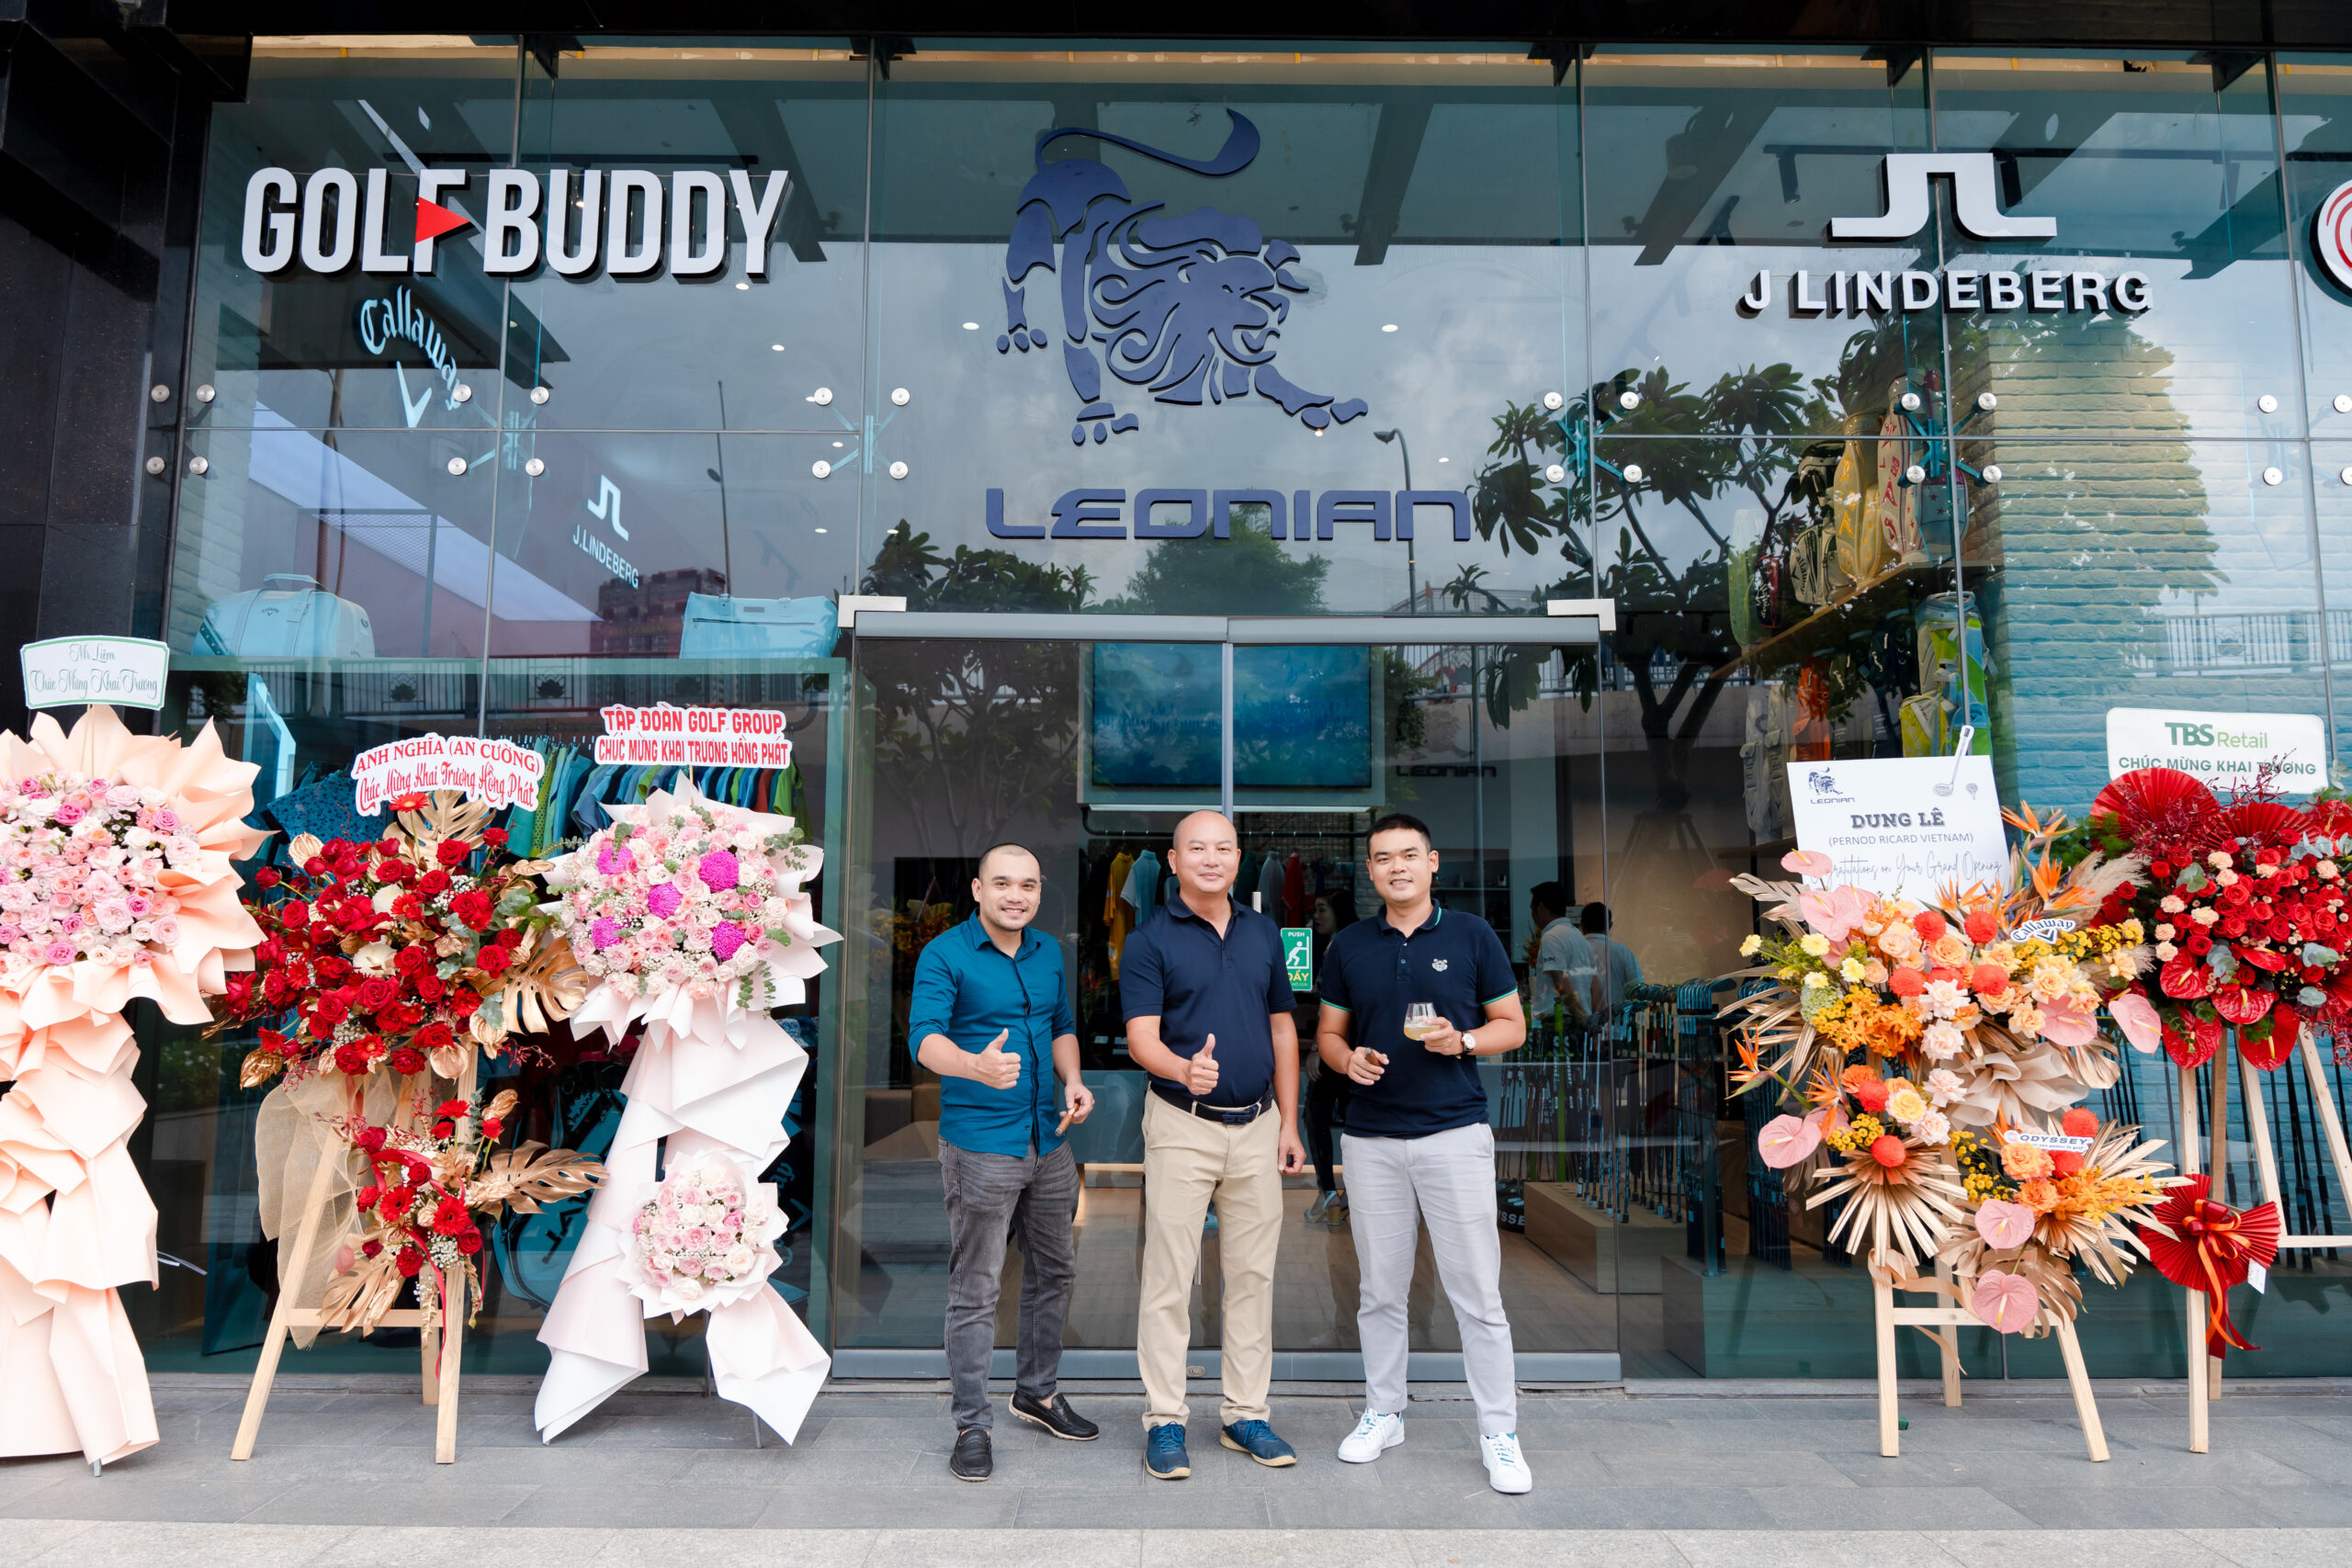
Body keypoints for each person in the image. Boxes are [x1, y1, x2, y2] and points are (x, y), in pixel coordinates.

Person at [1316, 811, 1534, 1495]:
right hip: (1371, 1138)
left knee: (1477, 1294)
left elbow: (1513, 1026)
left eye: (1409, 855)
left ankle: (1499, 1432)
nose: (1397, 867)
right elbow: (1328, 1034)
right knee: (1380, 1290)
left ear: (1432, 862)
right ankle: (1384, 1412)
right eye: (1383, 858)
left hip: (1453, 1134)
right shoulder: (1349, 944)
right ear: (1371, 870)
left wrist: (1461, 1041)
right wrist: (1347, 1060)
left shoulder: (1472, 934)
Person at [1120, 809, 1307, 1480]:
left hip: (1257, 1126)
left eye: (1223, 847)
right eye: (1196, 847)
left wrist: (1289, 1123)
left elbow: (1283, 1029)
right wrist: (1182, 1068)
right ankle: (1165, 1419)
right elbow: (1141, 1039)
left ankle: (1244, 1413)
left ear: (1237, 857)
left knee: (1253, 1277)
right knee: (1170, 1278)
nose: (1211, 858)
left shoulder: (1264, 932)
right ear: (1173, 862)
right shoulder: (1147, 939)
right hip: (1182, 1123)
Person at [907, 843, 1099, 1482]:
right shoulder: (946, 954)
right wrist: (974, 1065)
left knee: (1056, 1270)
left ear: (1039, 890)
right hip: (981, 1145)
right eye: (1003, 884)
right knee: (977, 1287)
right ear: (977, 889)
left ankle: (1037, 1393)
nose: (1016, 895)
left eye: (1028, 885)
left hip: (1049, 1139)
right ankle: (972, 1424)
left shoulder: (1047, 952)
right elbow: (924, 1038)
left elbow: (1061, 1024)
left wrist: (1073, 1080)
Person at [1302, 893, 1351, 1222]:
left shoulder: (1338, 946)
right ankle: (1345, 1193)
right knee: (1352, 1118)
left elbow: (1331, 1004)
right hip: (1354, 1045)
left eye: (1322, 910)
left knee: (1315, 1112)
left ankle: (1328, 1191)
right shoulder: (1351, 942)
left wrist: (1317, 1049)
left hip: (1338, 1046)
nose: (1316, 916)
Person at [1527, 882, 1592, 1038]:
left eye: (1532, 910)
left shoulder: (1552, 937)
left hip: (1561, 1022)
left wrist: (1581, 1017)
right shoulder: (1578, 936)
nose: (1532, 916)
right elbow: (1593, 984)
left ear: (1540, 908)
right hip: (1578, 1019)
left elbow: (1561, 982)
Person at [1583, 900, 1644, 1020]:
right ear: (1610, 925)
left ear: (1582, 925)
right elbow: (1638, 990)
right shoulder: (1623, 952)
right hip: (1617, 1024)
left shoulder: (1574, 952)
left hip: (1583, 1025)